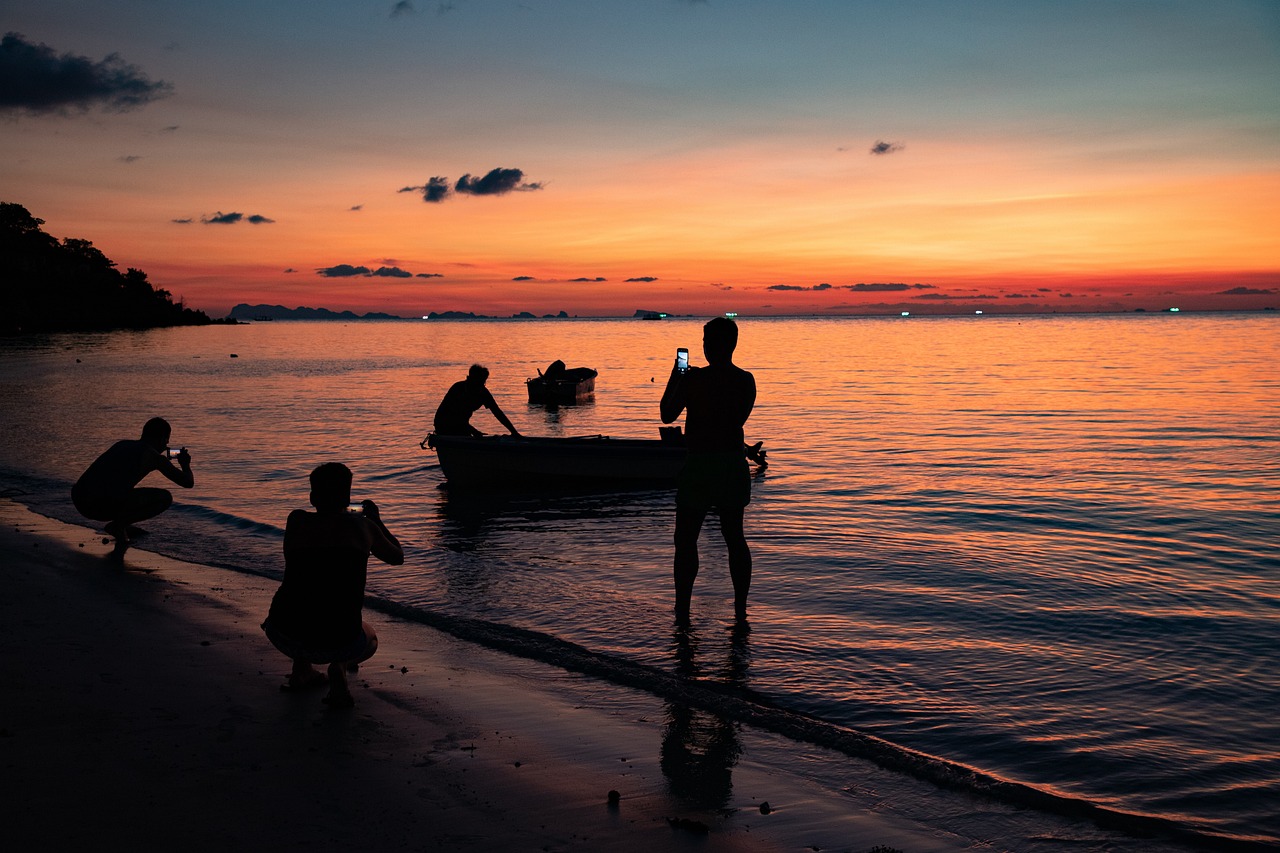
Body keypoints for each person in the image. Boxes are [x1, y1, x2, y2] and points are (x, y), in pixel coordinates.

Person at [262, 463, 404, 708]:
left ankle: (301, 670)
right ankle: (338, 667)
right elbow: (397, 557)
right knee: (369, 637)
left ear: (312, 497)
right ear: (348, 498)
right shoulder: (364, 528)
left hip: (284, 630)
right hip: (339, 637)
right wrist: (377, 522)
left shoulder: (296, 521)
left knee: (307, 595)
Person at [660, 317, 757, 620]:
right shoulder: (745, 380)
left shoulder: (693, 379)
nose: (703, 345)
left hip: (701, 464)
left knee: (686, 539)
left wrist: (676, 377)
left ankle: (683, 609)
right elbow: (735, 421)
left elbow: (666, 414)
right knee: (734, 538)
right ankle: (740, 610)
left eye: (705, 341)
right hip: (731, 462)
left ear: (712, 345)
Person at [71, 416, 194, 557]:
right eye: (166, 441)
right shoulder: (155, 457)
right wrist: (185, 465)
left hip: (79, 498)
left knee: (119, 490)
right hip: (97, 505)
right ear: (161, 439)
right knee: (165, 498)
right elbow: (187, 482)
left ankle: (121, 525)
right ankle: (119, 525)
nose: (166, 445)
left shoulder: (123, 444)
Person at [433, 364, 522, 438]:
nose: (481, 385)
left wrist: (514, 432)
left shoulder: (483, 392)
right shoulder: (458, 389)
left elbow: (497, 412)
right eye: (478, 382)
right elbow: (454, 416)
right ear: (470, 378)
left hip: (463, 425)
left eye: (483, 382)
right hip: (444, 423)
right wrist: (474, 431)